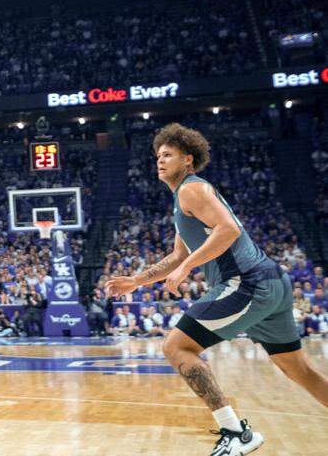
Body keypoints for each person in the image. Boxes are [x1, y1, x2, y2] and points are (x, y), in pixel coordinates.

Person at [107, 123, 328, 456]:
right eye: (158, 156)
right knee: (297, 369)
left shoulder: (191, 190)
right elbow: (179, 254)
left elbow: (227, 231)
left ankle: (235, 432)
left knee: (176, 346)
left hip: (247, 283)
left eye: (168, 155)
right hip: (271, 282)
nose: (160, 161)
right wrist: (137, 281)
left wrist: (186, 268)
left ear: (188, 159)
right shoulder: (183, 201)